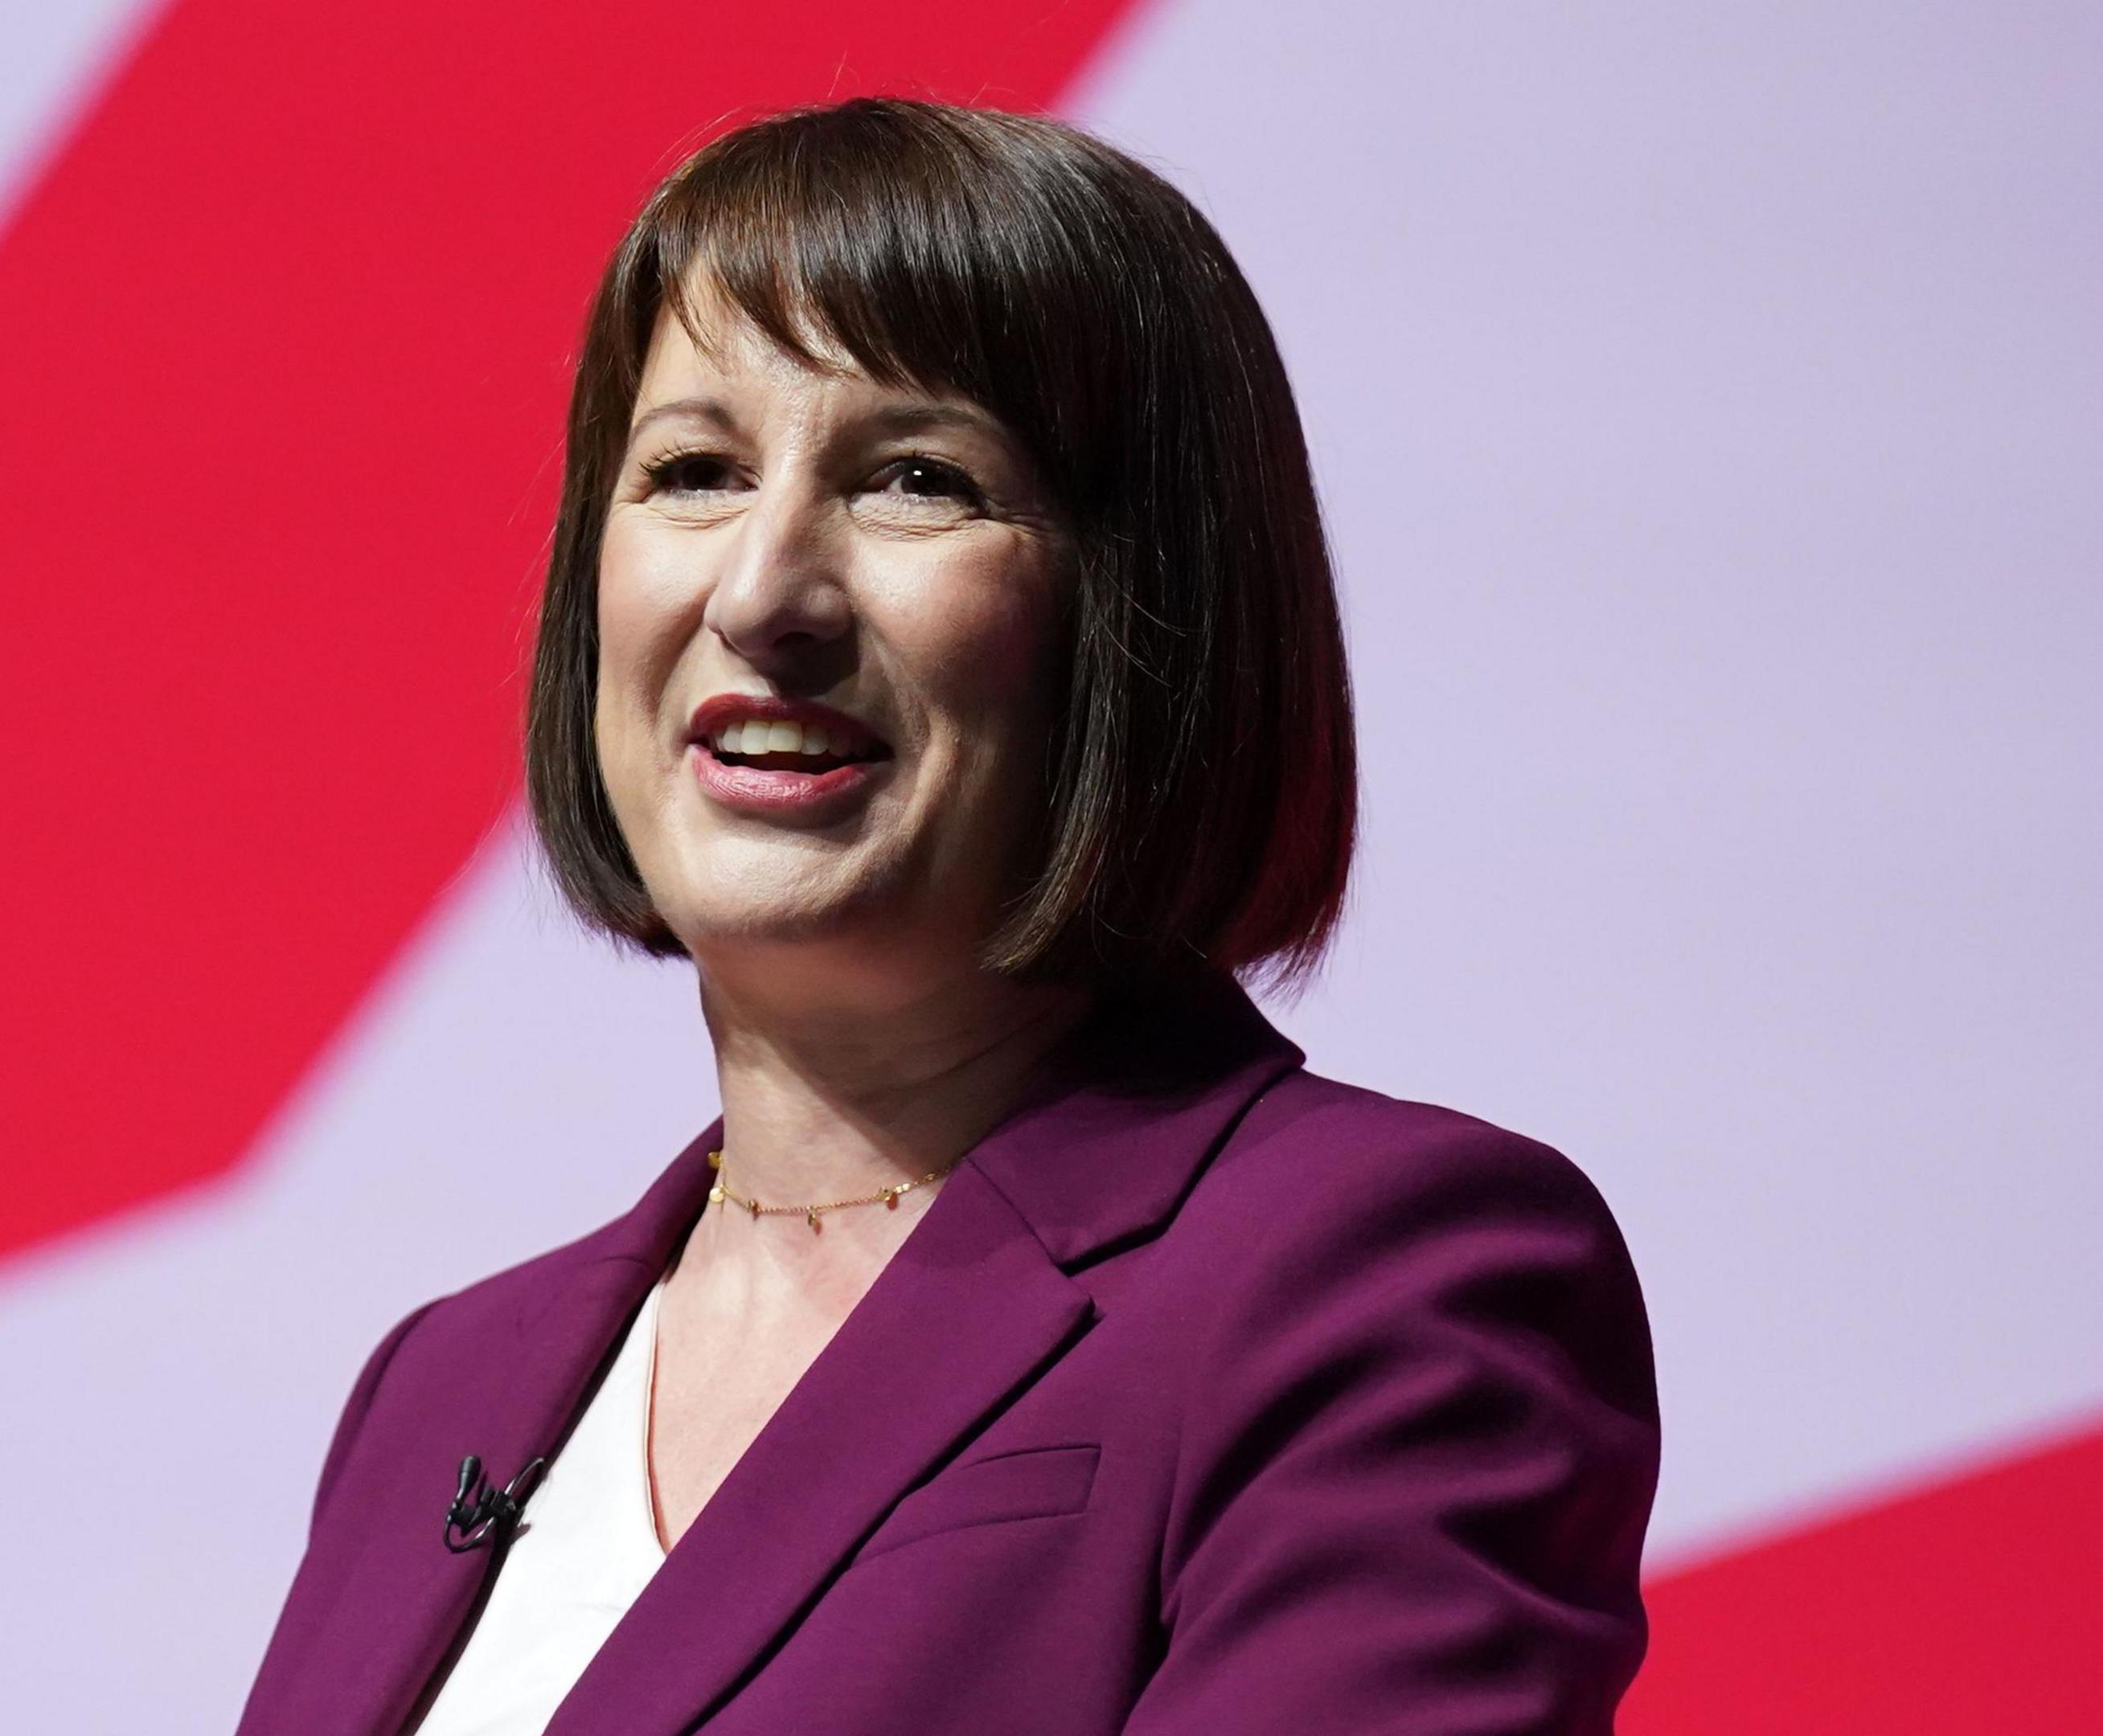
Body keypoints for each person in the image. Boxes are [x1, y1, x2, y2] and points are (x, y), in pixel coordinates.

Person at [236, 97, 1657, 1736]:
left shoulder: (1376, 1278)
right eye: (691, 470)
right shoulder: (444, 1389)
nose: (763, 591)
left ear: (1143, 614)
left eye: (917, 480)